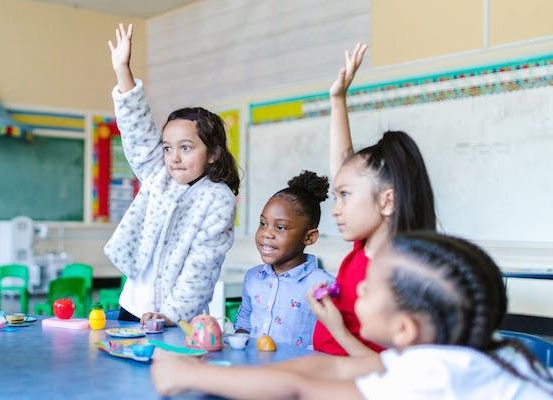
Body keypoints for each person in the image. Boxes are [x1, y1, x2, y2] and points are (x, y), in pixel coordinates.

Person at [151, 232, 553, 399]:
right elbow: (331, 370)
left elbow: (302, 390)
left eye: (371, 284)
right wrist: (338, 328)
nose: (359, 286)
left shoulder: (437, 375)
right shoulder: (461, 352)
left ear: (404, 328)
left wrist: (191, 375)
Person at [103, 24, 240, 324]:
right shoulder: (160, 175)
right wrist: (122, 71)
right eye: (167, 148)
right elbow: (138, 132)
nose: (174, 158)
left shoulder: (217, 199)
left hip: (175, 318)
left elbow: (202, 266)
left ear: (214, 153)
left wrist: (169, 315)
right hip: (132, 307)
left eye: (186, 148)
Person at [310, 43, 437, 356]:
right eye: (337, 197)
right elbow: (344, 168)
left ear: (387, 201)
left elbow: (393, 371)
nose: (336, 210)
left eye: (345, 197)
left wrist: (337, 330)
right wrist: (337, 99)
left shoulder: (398, 271)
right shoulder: (363, 247)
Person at [233, 170, 334, 348]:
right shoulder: (253, 278)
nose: (266, 233)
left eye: (280, 227)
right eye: (263, 223)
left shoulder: (323, 285)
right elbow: (244, 324)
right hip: (254, 371)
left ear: (309, 237)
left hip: (299, 372)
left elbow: (331, 339)